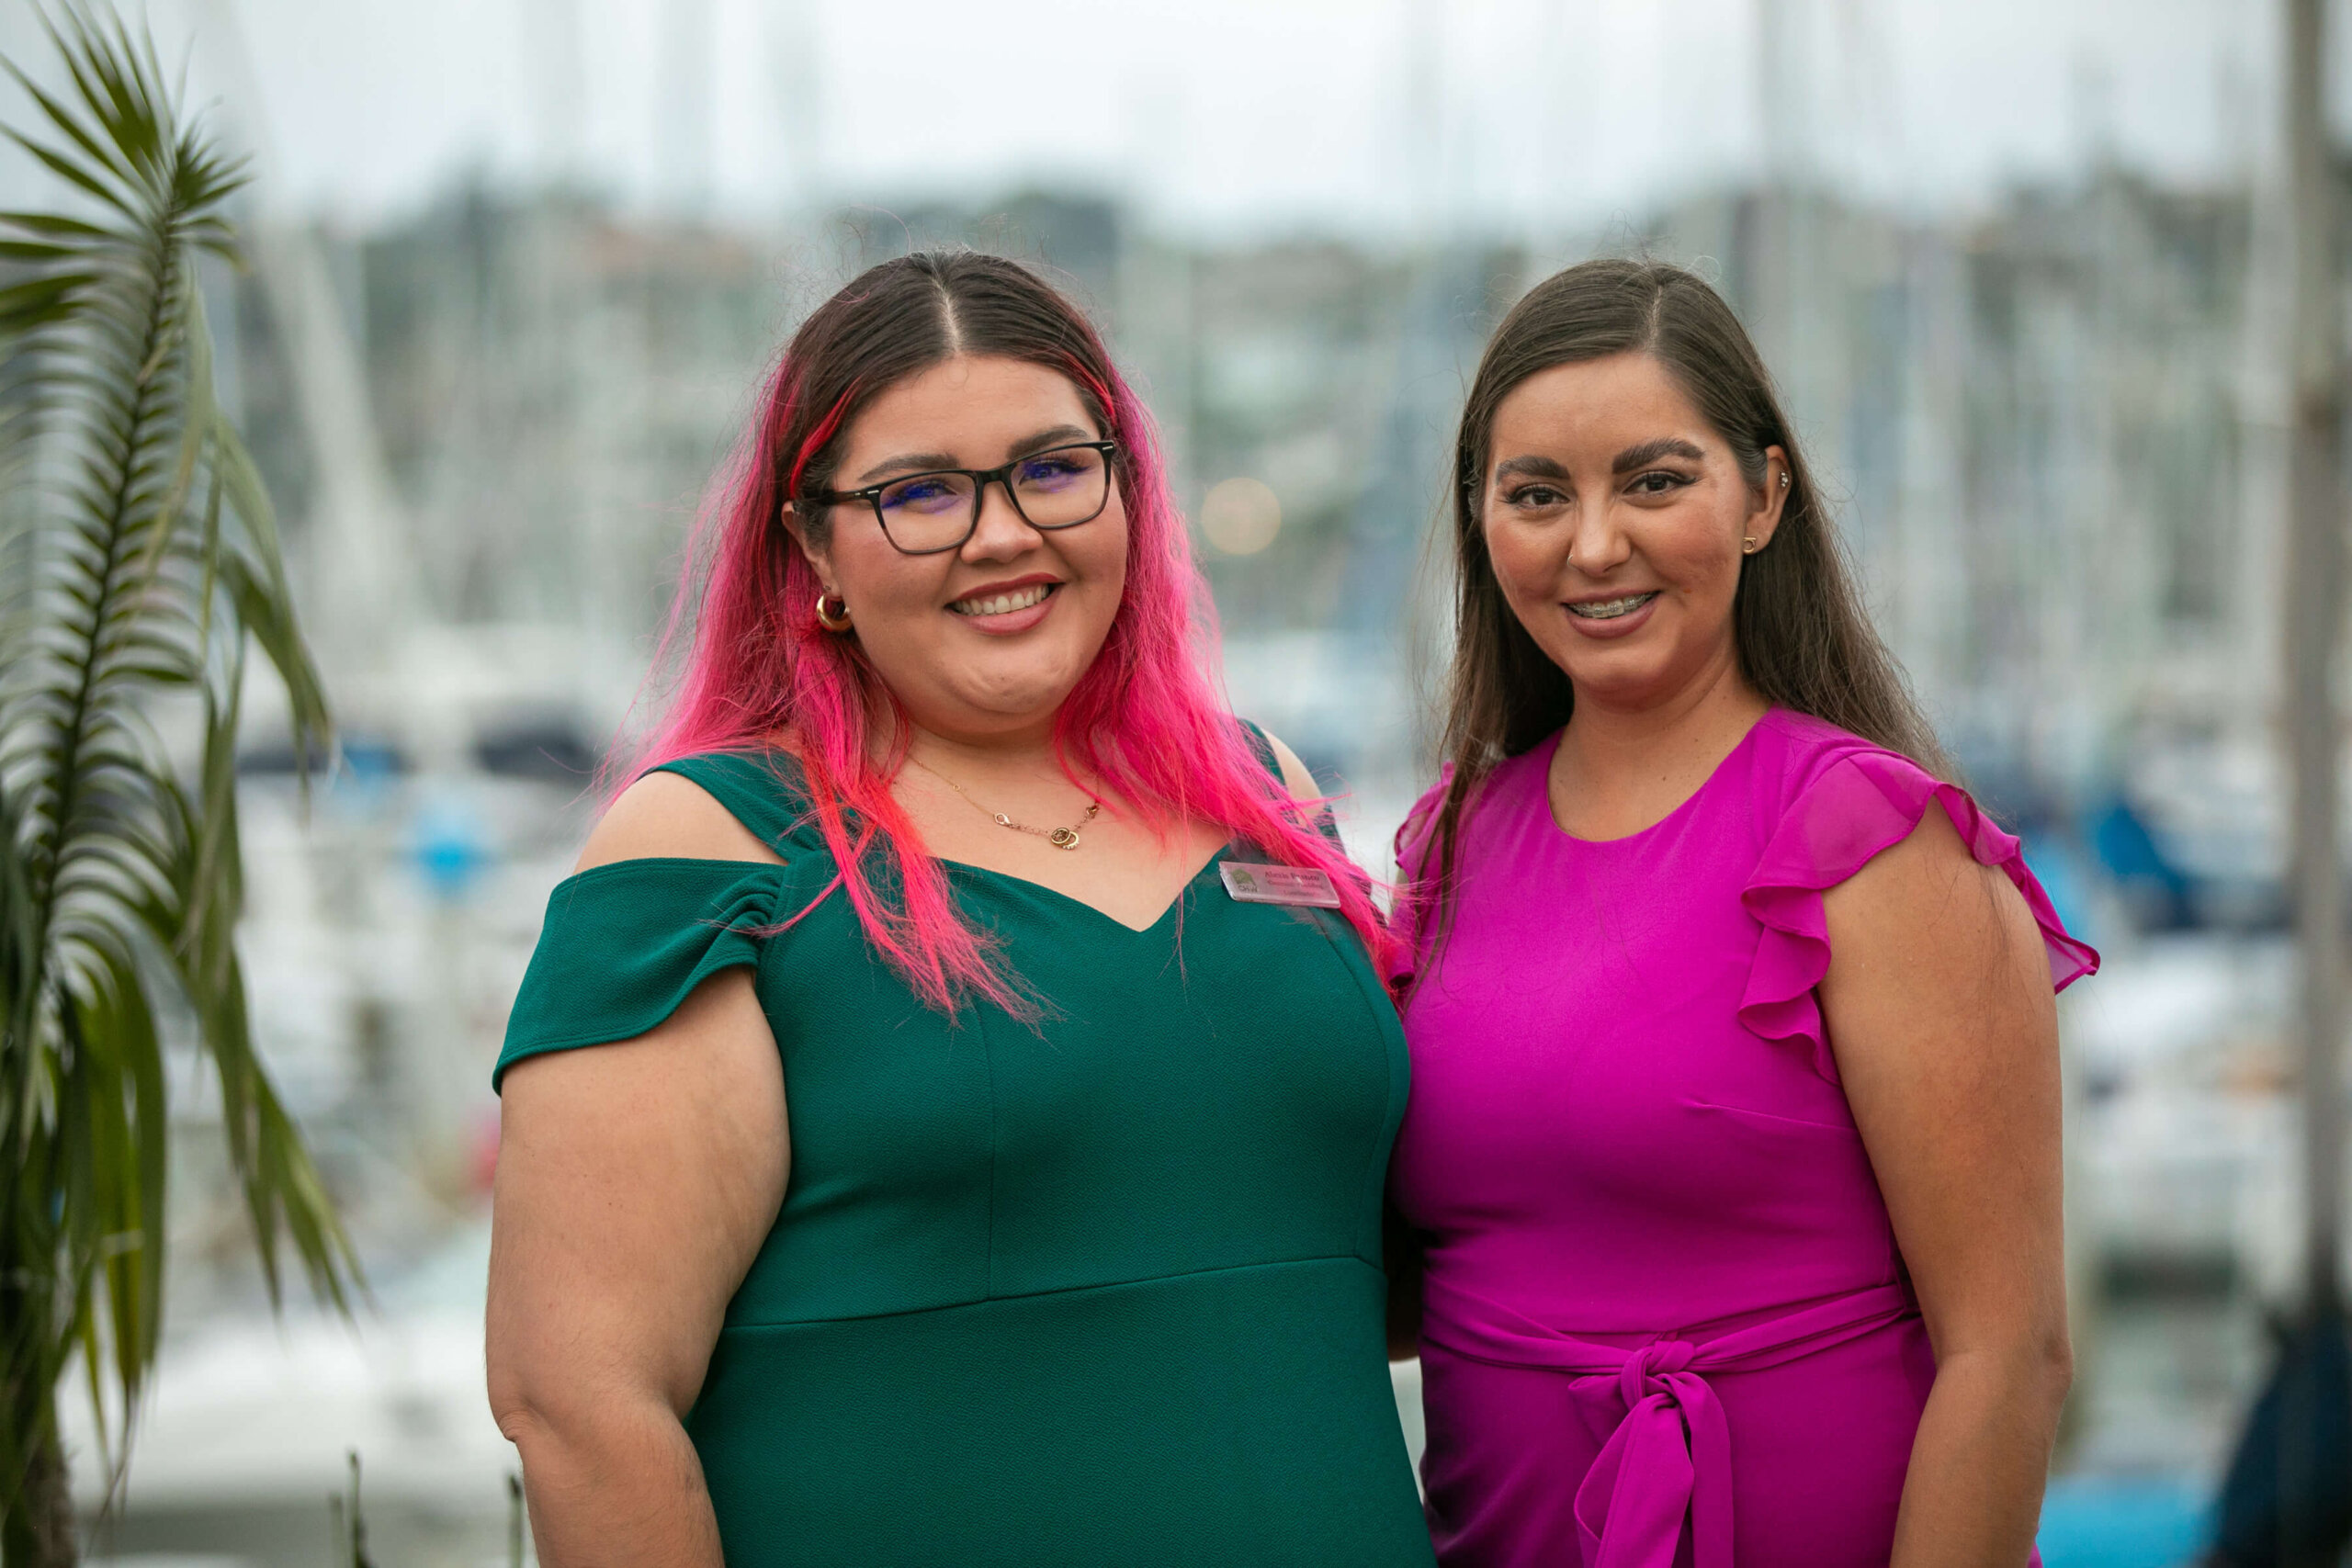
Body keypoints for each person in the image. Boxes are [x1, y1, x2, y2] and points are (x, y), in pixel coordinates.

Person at [485, 252, 1434, 1568]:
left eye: (1053, 468)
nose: (1002, 534)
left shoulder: (1264, 790)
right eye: (919, 493)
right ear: (811, 545)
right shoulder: (707, 845)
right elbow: (582, 1407)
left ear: (1127, 490)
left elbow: (1360, 1261)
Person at [1385, 259, 2098, 1568]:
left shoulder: (1876, 847)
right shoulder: (1452, 842)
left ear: (1765, 497)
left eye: (1654, 482)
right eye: (1537, 495)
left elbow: (2009, 1354)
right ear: (1483, 523)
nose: (1593, 545)